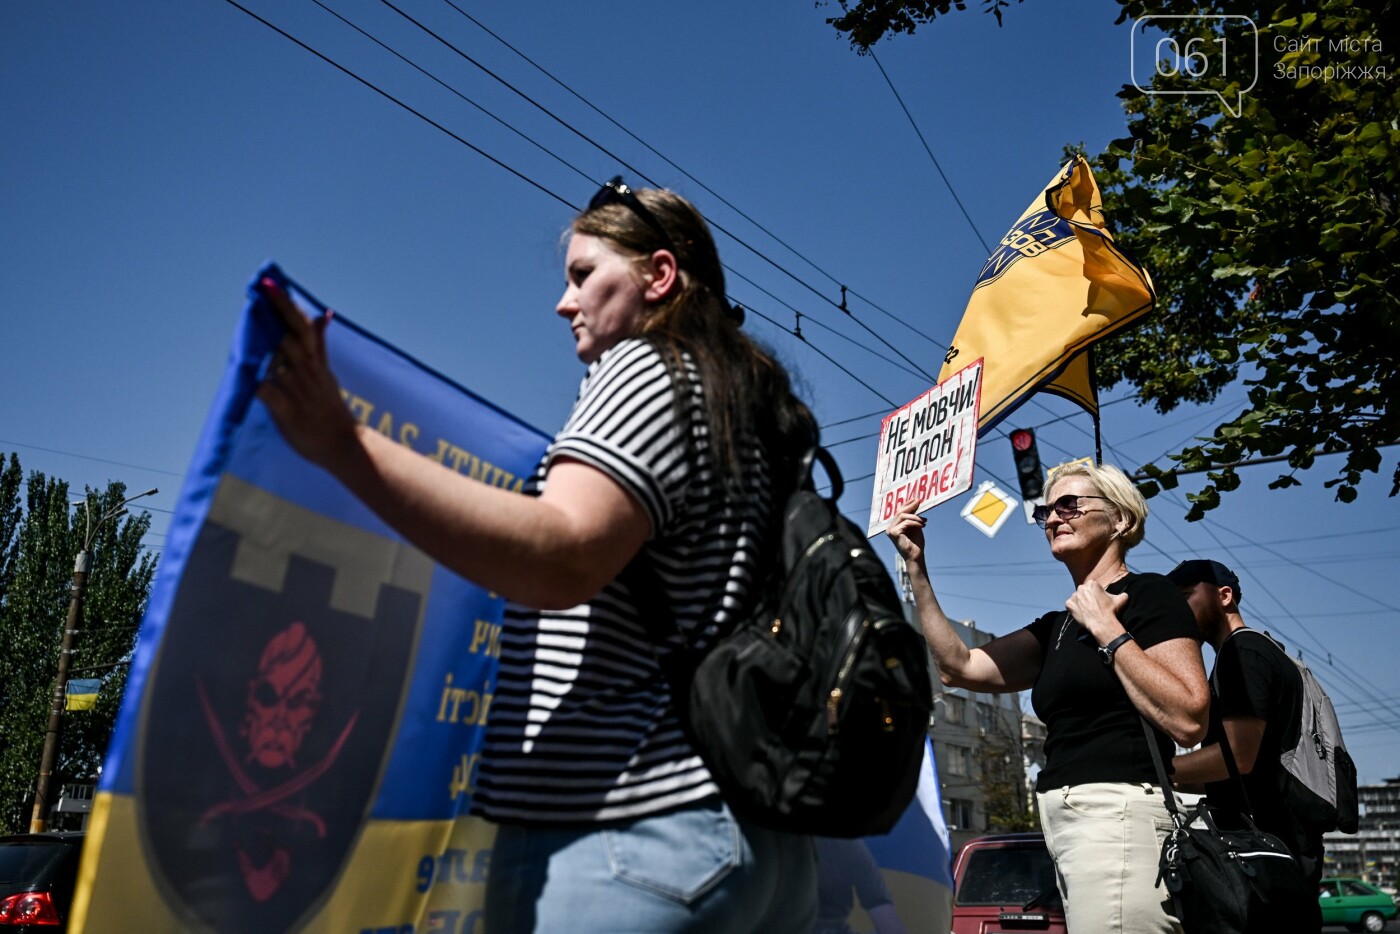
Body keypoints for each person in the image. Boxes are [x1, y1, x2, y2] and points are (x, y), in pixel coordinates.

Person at [256, 178, 819, 932]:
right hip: (761, 845)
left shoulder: (646, 364)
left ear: (659, 276)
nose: (564, 302)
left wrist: (345, 444)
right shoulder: (750, 410)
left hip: (629, 831)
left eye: (584, 275)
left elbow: (564, 553)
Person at [887, 461, 1208, 934]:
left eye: (1069, 505)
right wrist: (917, 567)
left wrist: (1107, 629)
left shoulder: (1149, 595)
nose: (1054, 518)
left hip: (1118, 815)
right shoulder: (1057, 625)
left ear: (1120, 518)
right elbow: (958, 667)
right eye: (1046, 511)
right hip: (1067, 825)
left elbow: (1189, 717)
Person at [1168, 558, 1323, 933]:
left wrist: (1153, 769)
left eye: (1186, 597)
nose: (1179, 611)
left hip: (1266, 852)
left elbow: (1238, 757)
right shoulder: (1254, 652)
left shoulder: (1244, 653)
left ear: (1224, 596)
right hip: (1276, 847)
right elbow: (1232, 770)